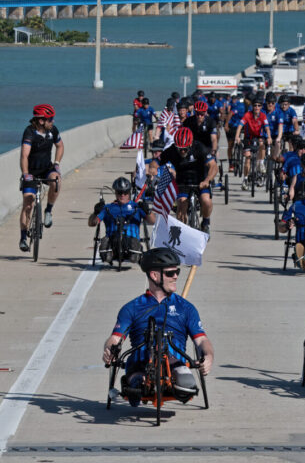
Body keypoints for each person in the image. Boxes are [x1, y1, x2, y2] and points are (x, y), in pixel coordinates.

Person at [102, 248, 214, 406]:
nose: (175, 276)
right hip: (140, 362)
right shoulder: (131, 308)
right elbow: (114, 338)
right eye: (170, 273)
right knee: (136, 385)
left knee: (187, 384)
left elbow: (202, 340)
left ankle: (177, 383)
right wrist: (109, 350)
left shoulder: (186, 308)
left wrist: (209, 357)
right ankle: (135, 384)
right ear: (154, 275)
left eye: (177, 272)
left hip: (175, 363)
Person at [153, 127, 217, 233]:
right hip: (182, 182)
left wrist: (207, 180)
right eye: (179, 148)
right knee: (181, 206)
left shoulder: (200, 147)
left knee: (206, 200)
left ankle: (205, 222)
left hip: (200, 180)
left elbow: (214, 166)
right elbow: (155, 163)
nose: (182, 151)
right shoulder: (171, 151)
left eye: (185, 149)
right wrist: (152, 170)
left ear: (190, 144)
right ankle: (183, 232)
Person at [19, 104, 64, 252]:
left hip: (46, 169)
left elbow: (60, 146)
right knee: (28, 204)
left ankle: (48, 211)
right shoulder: (29, 133)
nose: (52, 122)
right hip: (31, 171)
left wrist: (56, 164)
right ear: (41, 121)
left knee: (56, 181)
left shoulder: (53, 131)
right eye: (50, 119)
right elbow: (24, 155)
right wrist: (26, 174)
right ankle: (23, 237)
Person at [89, 177, 156, 263]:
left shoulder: (137, 207)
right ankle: (110, 253)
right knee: (106, 245)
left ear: (129, 192)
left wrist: (148, 211)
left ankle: (135, 250)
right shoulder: (107, 208)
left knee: (133, 248)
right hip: (112, 241)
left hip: (131, 240)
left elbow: (152, 221)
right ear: (116, 193)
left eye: (125, 192)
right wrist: (95, 213)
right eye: (120, 192)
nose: (123, 195)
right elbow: (92, 223)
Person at [234, 100, 272, 190]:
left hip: (259, 137)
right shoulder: (248, 115)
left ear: (261, 107)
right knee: (248, 158)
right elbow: (240, 126)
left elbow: (267, 128)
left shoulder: (263, 115)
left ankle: (261, 163)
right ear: (252, 106)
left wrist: (269, 137)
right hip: (249, 138)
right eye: (255, 105)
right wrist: (237, 137)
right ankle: (246, 179)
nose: (257, 107)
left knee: (262, 144)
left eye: (259, 105)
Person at [224, 95, 246, 171]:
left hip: (242, 126)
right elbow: (230, 114)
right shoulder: (240, 106)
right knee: (230, 145)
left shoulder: (250, 108)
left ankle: (242, 151)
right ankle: (230, 163)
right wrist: (226, 125)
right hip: (232, 126)